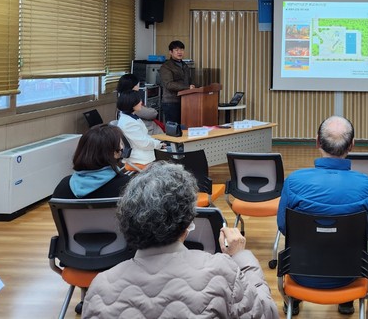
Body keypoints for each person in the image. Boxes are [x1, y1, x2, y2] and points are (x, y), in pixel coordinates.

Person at [82, 162, 278, 319]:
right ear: (186, 223)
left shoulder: (100, 288)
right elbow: (267, 313)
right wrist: (241, 257)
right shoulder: (222, 271)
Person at [277, 115, 368, 316]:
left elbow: (283, 227)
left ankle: (293, 301)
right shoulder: (367, 186)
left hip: (300, 273)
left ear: (317, 142)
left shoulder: (294, 181)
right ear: (352, 145)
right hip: (350, 274)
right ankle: (346, 302)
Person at [52, 124, 131, 199]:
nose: (123, 147)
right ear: (115, 153)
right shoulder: (127, 186)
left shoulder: (63, 186)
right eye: (121, 144)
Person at [116, 90, 165, 165]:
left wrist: (158, 143)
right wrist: (158, 145)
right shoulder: (129, 123)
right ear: (132, 104)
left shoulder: (130, 117)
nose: (141, 103)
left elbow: (144, 137)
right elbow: (144, 143)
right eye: (139, 101)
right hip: (140, 159)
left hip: (142, 154)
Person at [158, 40, 195, 124]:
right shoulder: (166, 66)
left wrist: (194, 86)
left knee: (183, 126)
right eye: (176, 50)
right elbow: (169, 84)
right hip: (171, 102)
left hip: (185, 100)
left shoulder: (184, 65)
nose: (180, 52)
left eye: (181, 49)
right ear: (170, 52)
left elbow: (188, 80)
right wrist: (188, 87)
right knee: (173, 127)